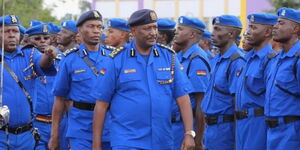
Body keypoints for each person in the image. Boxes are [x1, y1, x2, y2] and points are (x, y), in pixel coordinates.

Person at [92, 9, 195, 150]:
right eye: (147, 28)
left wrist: (189, 133)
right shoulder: (117, 59)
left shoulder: (169, 57)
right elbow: (101, 105)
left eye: (155, 27)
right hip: (127, 140)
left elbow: (183, 97)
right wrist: (96, 145)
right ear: (133, 32)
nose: (153, 33)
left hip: (162, 140)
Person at [49, 10, 113, 150]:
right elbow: (59, 99)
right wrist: (54, 135)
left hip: (109, 126)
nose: (96, 31)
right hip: (81, 127)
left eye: (99, 27)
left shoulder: (112, 56)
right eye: (90, 26)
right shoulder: (69, 59)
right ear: (80, 30)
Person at [0, 15, 56, 150]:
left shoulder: (30, 54)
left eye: (15, 31)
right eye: (6, 31)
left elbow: (42, 64)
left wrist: (48, 56)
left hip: (27, 135)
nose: (11, 35)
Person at [201, 15, 245, 150]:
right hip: (210, 130)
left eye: (217, 30)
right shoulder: (217, 59)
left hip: (226, 131)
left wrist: (238, 141)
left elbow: (237, 104)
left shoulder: (236, 62)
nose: (212, 34)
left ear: (231, 34)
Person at [235, 13, 278, 150]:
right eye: (249, 27)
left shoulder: (270, 60)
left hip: (258, 123)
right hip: (242, 123)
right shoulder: (247, 58)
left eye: (254, 27)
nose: (248, 32)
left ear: (267, 32)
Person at [172, 16, 210, 150]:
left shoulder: (197, 59)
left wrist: (198, 140)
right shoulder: (180, 57)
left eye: (181, 29)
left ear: (192, 34)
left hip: (187, 128)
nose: (176, 31)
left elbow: (201, 103)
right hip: (175, 127)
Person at [265, 7, 300, 149]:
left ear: (296, 28)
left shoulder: (297, 58)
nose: (275, 26)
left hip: (291, 132)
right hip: (271, 131)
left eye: (281, 23)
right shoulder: (276, 59)